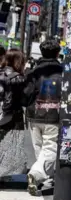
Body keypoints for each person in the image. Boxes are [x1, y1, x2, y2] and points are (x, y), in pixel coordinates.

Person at [23, 40, 62, 195]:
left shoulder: (33, 72)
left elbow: (25, 94)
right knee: (51, 147)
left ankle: (44, 178)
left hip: (33, 114)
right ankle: (37, 174)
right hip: (54, 114)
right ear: (57, 53)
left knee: (39, 148)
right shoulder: (64, 72)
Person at [0, 50, 28, 181]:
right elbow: (23, 99)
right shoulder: (19, 77)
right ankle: (3, 173)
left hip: (4, 114)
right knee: (11, 147)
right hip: (11, 116)